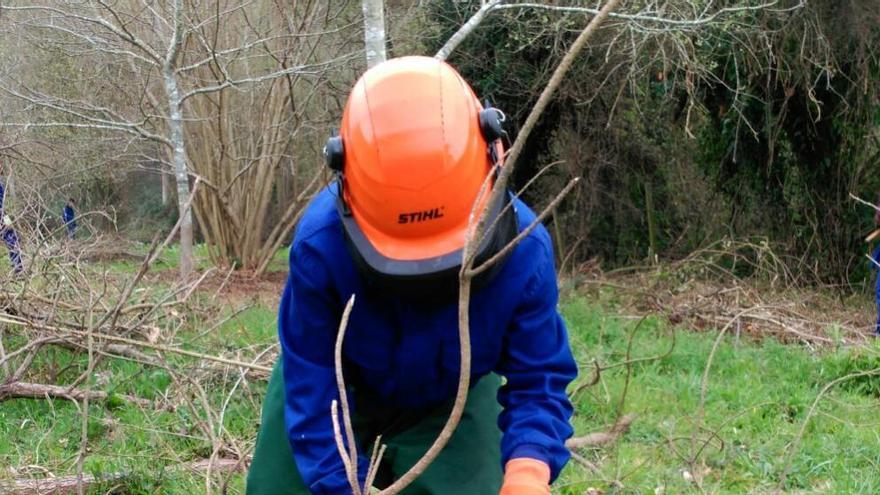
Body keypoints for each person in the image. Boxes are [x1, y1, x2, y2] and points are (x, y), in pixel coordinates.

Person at [246, 56, 578, 495]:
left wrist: (528, 472)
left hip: (453, 396)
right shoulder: (320, 246)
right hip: (335, 391)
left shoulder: (523, 251)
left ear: (495, 154)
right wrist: (341, 483)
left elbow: (538, 379)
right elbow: (311, 372)